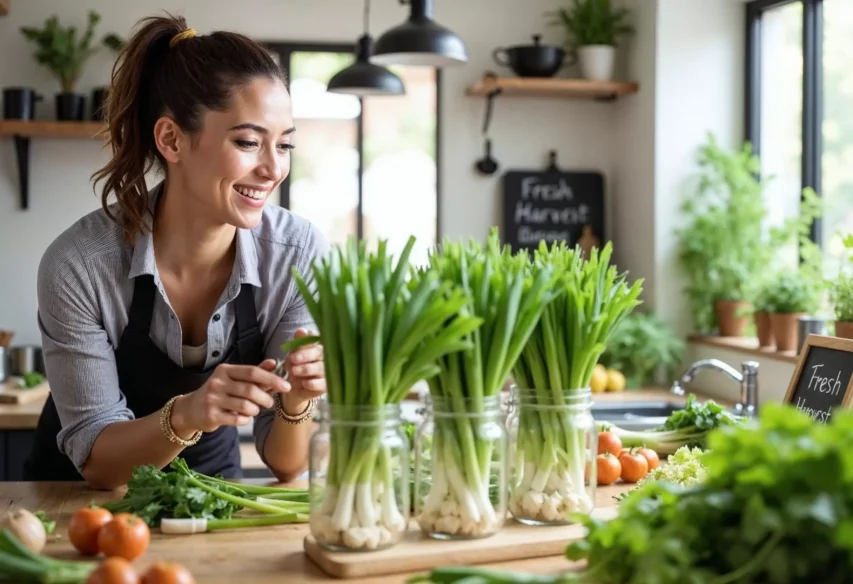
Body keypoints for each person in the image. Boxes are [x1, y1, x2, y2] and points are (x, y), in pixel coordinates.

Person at [22, 13, 330, 490]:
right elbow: (102, 465)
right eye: (248, 142)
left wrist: (299, 401)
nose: (273, 169)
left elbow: (287, 466)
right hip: (76, 502)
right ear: (171, 139)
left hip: (209, 493)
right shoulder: (80, 264)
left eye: (284, 145)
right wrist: (187, 412)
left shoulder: (296, 253)